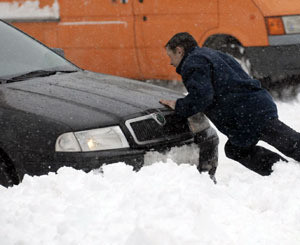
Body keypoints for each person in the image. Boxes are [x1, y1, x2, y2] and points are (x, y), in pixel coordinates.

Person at [160, 32, 300, 176]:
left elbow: (202, 96)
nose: (171, 62)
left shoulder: (192, 63)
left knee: (288, 142)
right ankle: (282, 171)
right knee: (237, 149)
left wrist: (179, 105)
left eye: (171, 57)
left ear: (179, 50)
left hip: (248, 113)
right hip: (253, 106)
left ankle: (282, 172)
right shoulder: (210, 54)